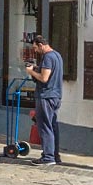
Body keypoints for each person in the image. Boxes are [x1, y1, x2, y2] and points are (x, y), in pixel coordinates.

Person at [24, 34, 64, 165]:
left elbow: (44, 78)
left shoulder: (48, 57)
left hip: (46, 96)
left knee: (45, 126)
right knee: (52, 125)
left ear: (41, 45)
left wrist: (31, 72)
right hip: (56, 95)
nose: (35, 51)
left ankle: (48, 157)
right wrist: (37, 69)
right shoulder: (57, 55)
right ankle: (54, 155)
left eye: (36, 48)